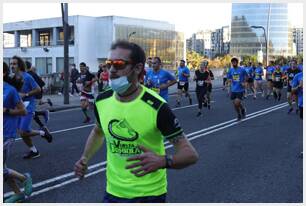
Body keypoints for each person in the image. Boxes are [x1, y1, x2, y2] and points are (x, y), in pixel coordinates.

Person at [74, 40, 198, 203]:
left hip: (148, 195)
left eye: (119, 64)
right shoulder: (102, 99)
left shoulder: (157, 107)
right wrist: (84, 158)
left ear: (138, 68)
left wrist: (163, 161)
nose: (111, 70)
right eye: (109, 64)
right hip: (113, 192)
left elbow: (190, 154)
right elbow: (98, 131)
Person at [10, 56, 53, 159]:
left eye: (14, 64)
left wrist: (26, 94)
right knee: (22, 132)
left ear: (20, 65)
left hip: (29, 106)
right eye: (11, 64)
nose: (12, 66)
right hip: (18, 106)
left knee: (23, 130)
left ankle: (42, 132)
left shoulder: (27, 77)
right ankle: (34, 151)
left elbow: (38, 89)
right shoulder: (12, 78)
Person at [3, 62, 33, 203]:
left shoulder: (10, 90)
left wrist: (7, 111)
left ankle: (24, 179)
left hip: (6, 133)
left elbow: (23, 111)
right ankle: (18, 192)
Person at [25, 61, 52, 130]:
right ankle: (42, 124)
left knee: (31, 112)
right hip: (34, 95)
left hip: (34, 95)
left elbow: (40, 84)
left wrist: (34, 89)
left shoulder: (29, 75)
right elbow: (42, 83)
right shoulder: (32, 74)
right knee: (31, 112)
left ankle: (43, 118)